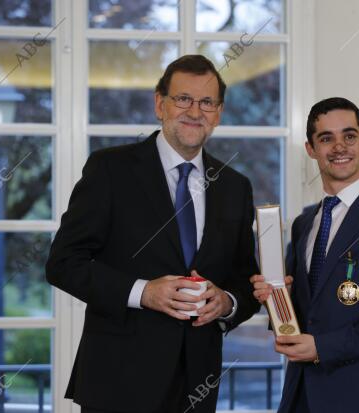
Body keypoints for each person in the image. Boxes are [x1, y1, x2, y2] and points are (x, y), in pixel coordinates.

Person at [46, 55, 260, 413]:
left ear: (219, 112)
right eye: (183, 99)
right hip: (118, 384)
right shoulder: (110, 169)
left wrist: (228, 303)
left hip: (197, 385)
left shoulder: (235, 187)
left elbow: (245, 278)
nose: (195, 111)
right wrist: (144, 292)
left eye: (207, 102)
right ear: (160, 104)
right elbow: (63, 264)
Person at [250, 97, 359, 413]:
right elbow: (306, 306)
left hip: (357, 395)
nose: (339, 147)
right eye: (326, 138)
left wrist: (322, 347)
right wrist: (276, 298)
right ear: (311, 149)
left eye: (349, 136)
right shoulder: (304, 223)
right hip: (298, 394)